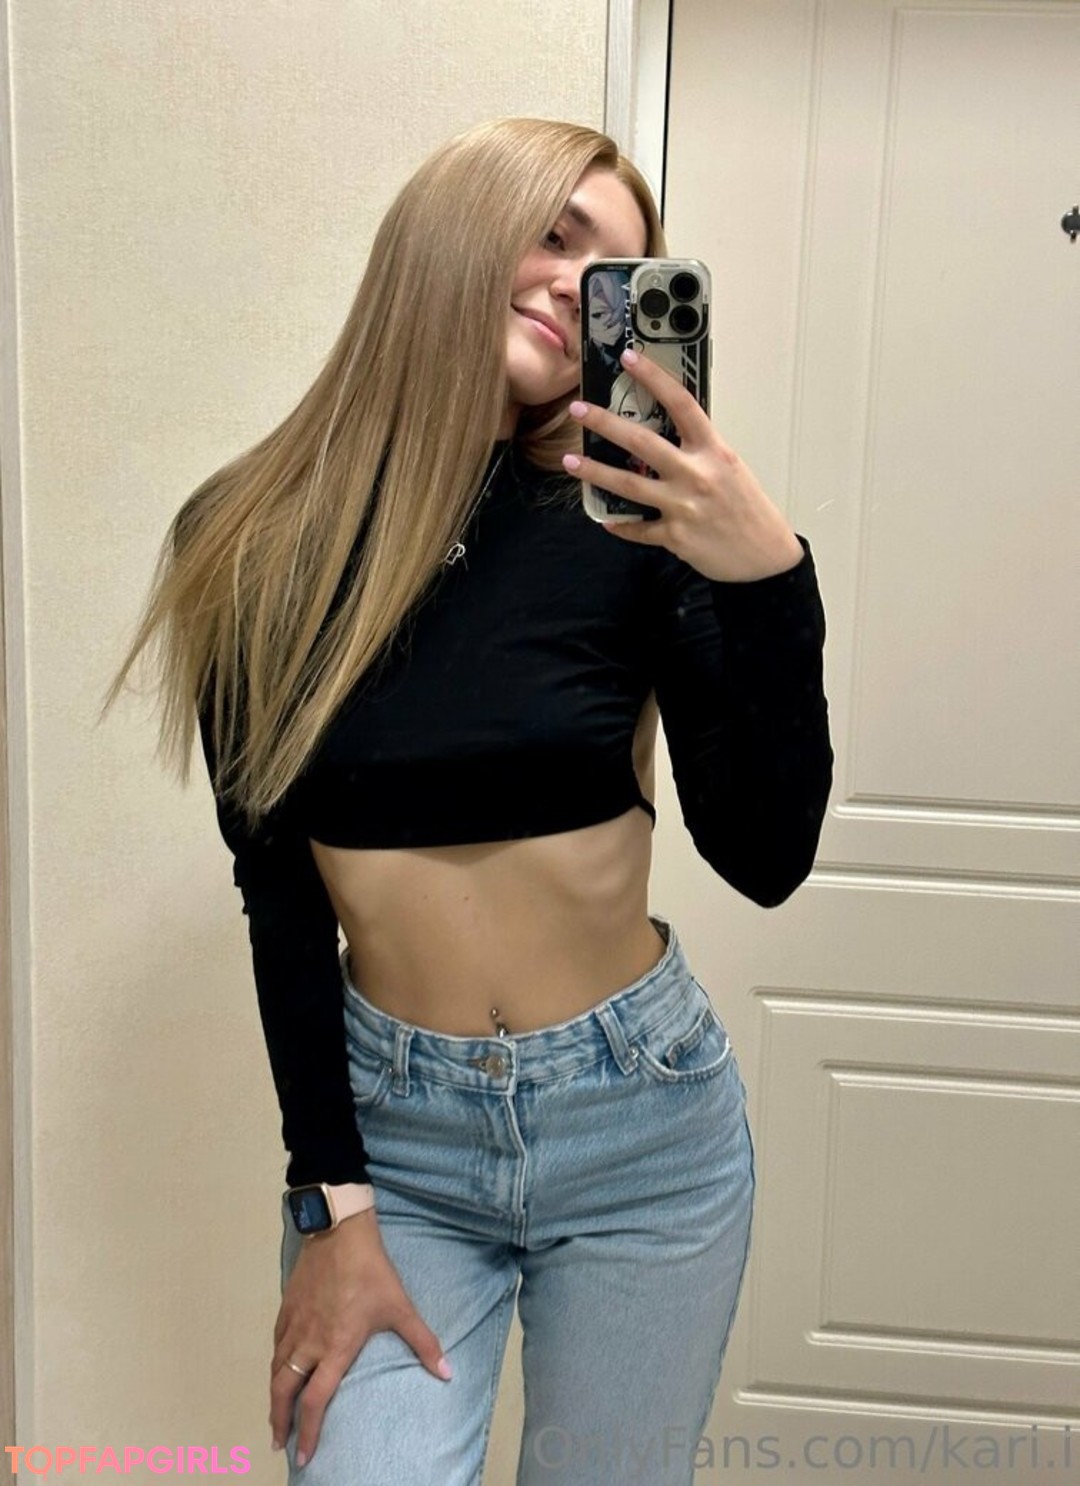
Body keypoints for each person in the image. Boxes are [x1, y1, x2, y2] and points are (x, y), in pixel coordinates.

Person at [112, 117, 832, 1485]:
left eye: (612, 266)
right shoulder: (249, 539)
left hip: (642, 1127)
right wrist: (334, 1206)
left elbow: (766, 854)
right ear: (451, 229)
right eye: (553, 233)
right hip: (398, 1143)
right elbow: (281, 899)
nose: (576, 282)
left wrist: (768, 585)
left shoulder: (635, 521)